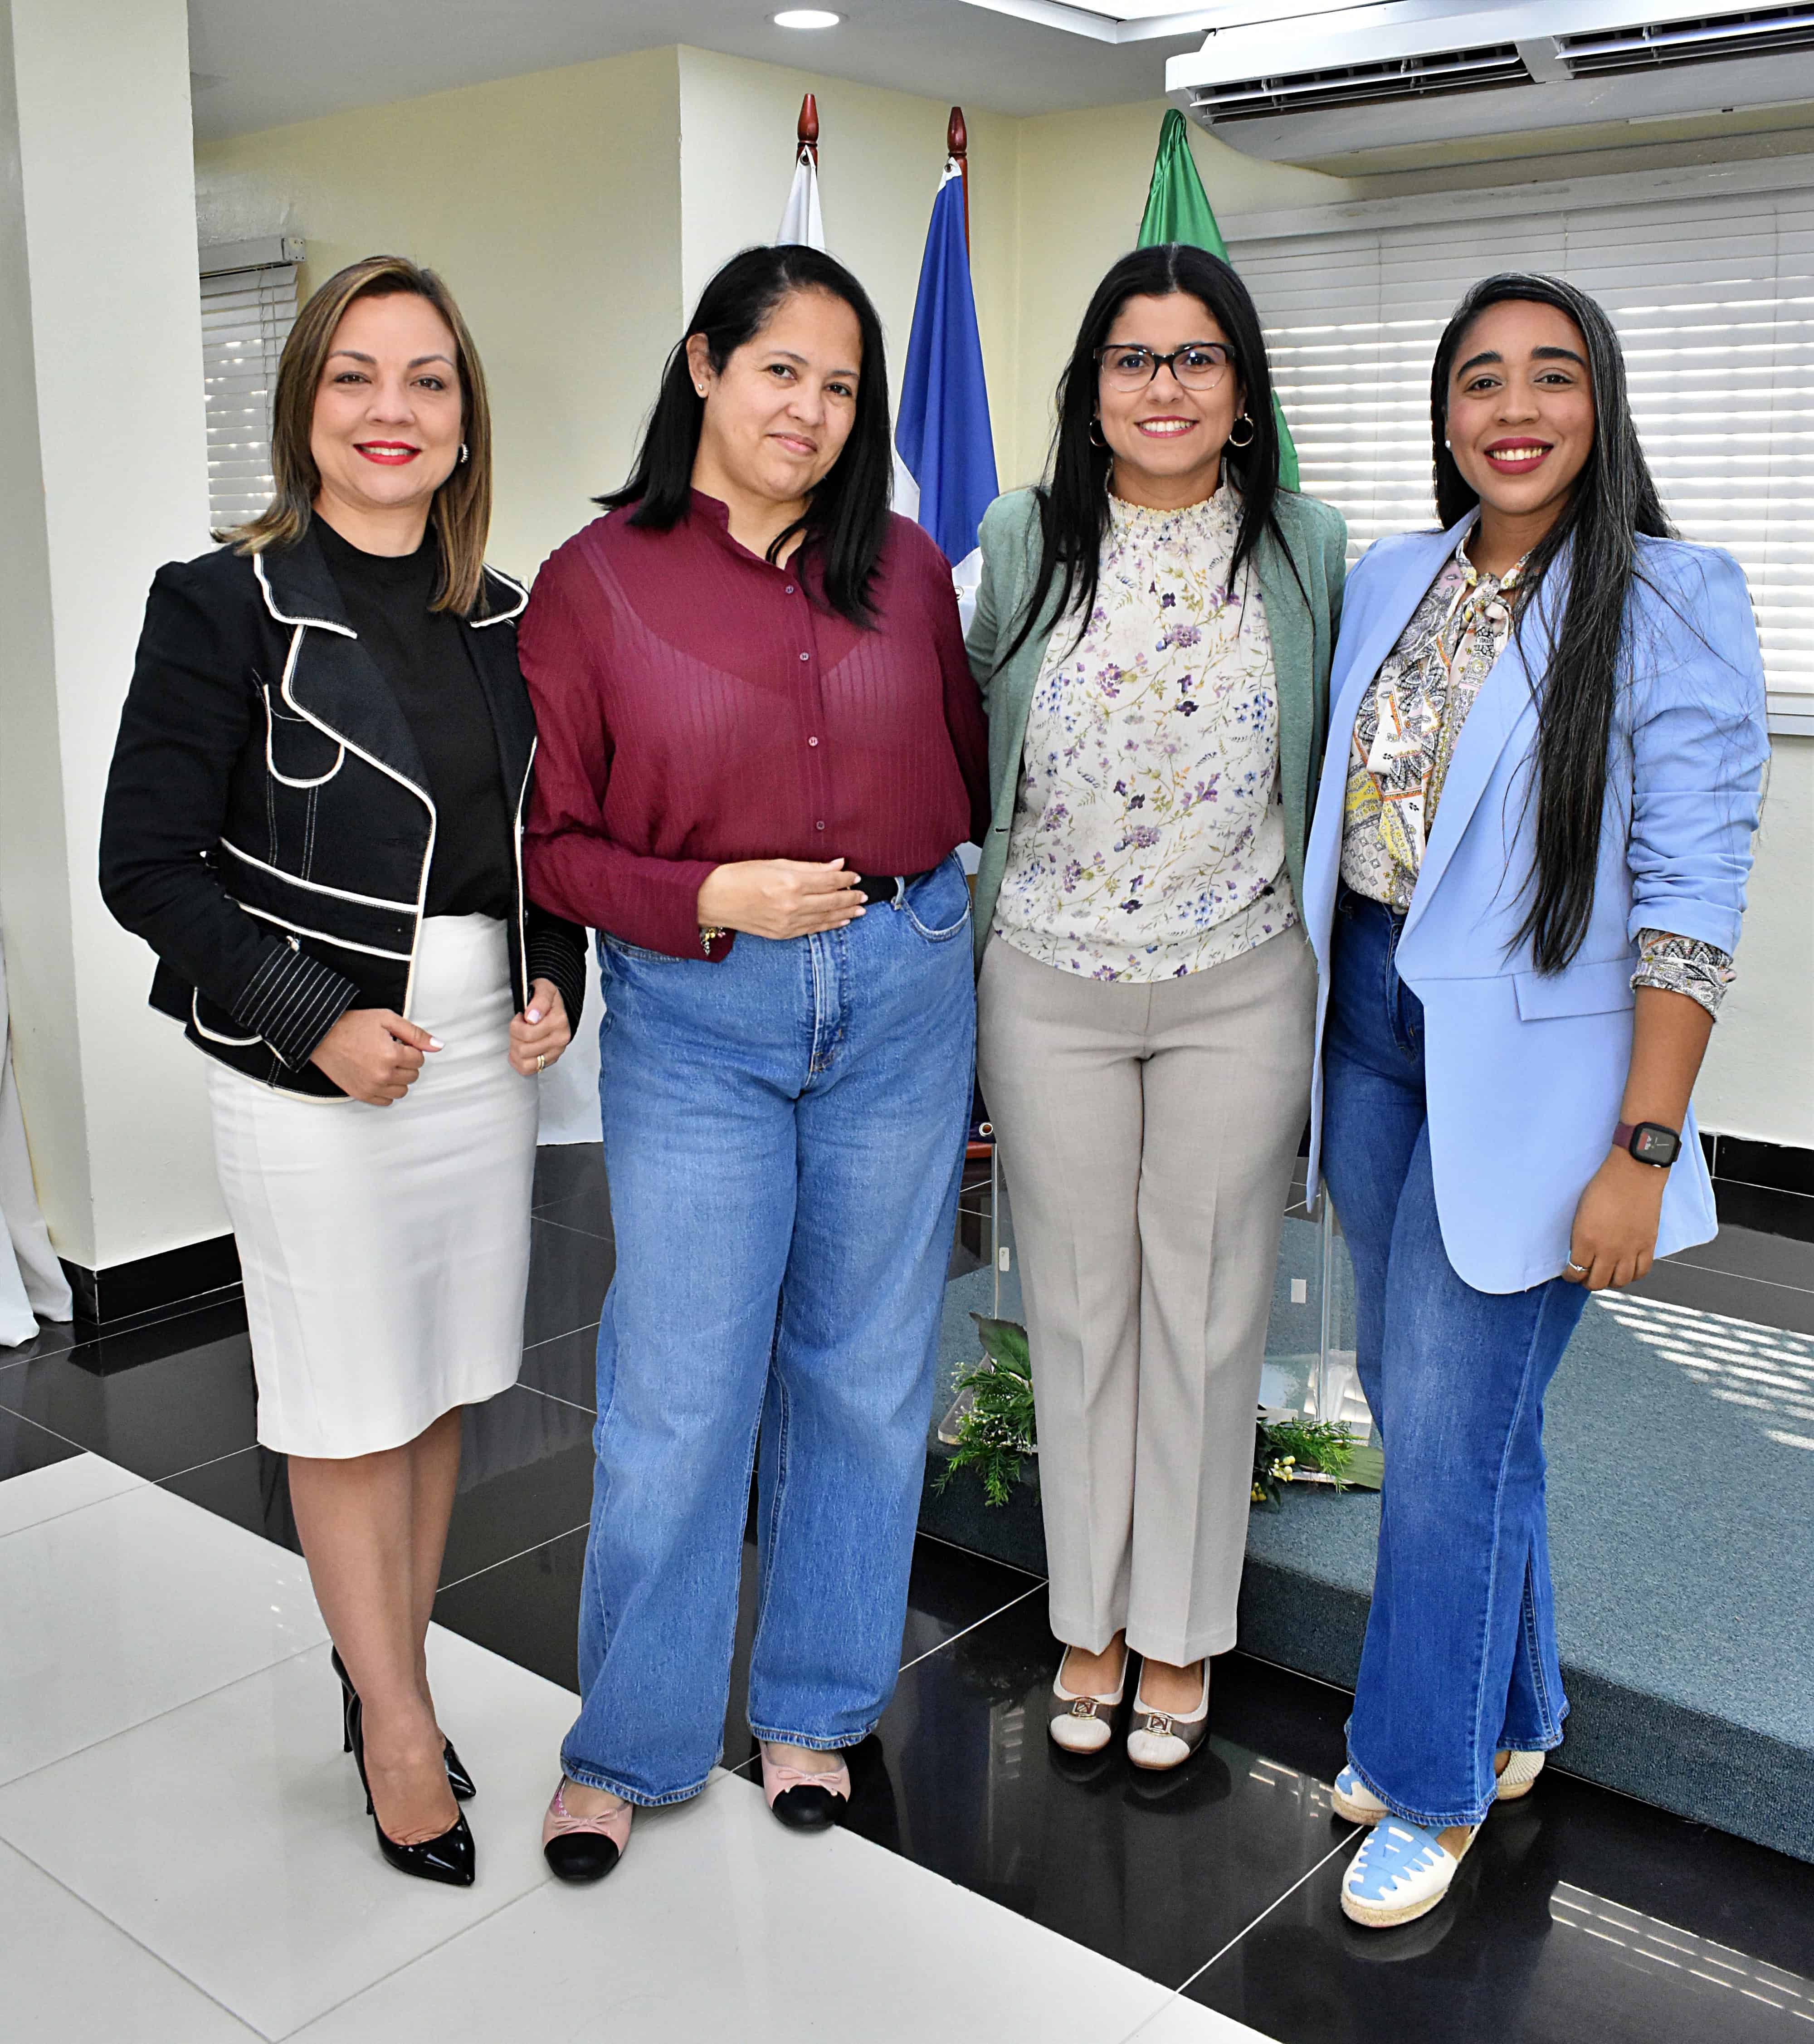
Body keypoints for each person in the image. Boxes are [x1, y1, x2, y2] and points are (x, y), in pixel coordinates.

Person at [100, 254, 585, 1889]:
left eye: (428, 381)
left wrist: (552, 975)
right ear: (308, 403)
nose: (394, 411)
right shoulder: (217, 603)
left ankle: (385, 1654)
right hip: (314, 1058)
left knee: (440, 1376)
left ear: (466, 422)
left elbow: (546, 847)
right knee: (341, 1392)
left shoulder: (511, 616)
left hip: (474, 1061)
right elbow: (146, 865)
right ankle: (395, 1714)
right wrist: (311, 1013)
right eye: (357, 377)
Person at [1302, 273, 1769, 1928]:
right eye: (1481, 379)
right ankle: (1516, 1721)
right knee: (1454, 1411)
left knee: (1441, 1433)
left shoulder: (1673, 594)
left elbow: (1689, 899)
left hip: (1550, 1070)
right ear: (1444, 414)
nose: (1515, 407)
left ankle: (1423, 1778)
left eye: (1551, 377)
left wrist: (1642, 1148)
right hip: (1368, 1023)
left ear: (1602, 400)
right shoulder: (1391, 577)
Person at [518, 243, 989, 1883]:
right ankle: (630, 1739)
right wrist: (704, 892)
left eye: (844, 385)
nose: (813, 407)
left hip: (908, 989)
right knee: (678, 1385)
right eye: (782, 367)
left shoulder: (913, 570)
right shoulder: (591, 585)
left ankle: (813, 1709)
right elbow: (551, 846)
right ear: (705, 363)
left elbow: (963, 773)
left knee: (865, 1372)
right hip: (699, 1013)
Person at [968, 243, 1347, 1772]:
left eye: (1197, 358)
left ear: (1241, 392)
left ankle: (1182, 1633)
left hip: (1240, 979)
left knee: (1206, 1307)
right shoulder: (1017, 536)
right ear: (1092, 388)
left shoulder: (1309, 546)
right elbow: (949, 714)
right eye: (1134, 358)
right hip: (1046, 978)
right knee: (1074, 1301)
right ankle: (1089, 1617)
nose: (1165, 386)